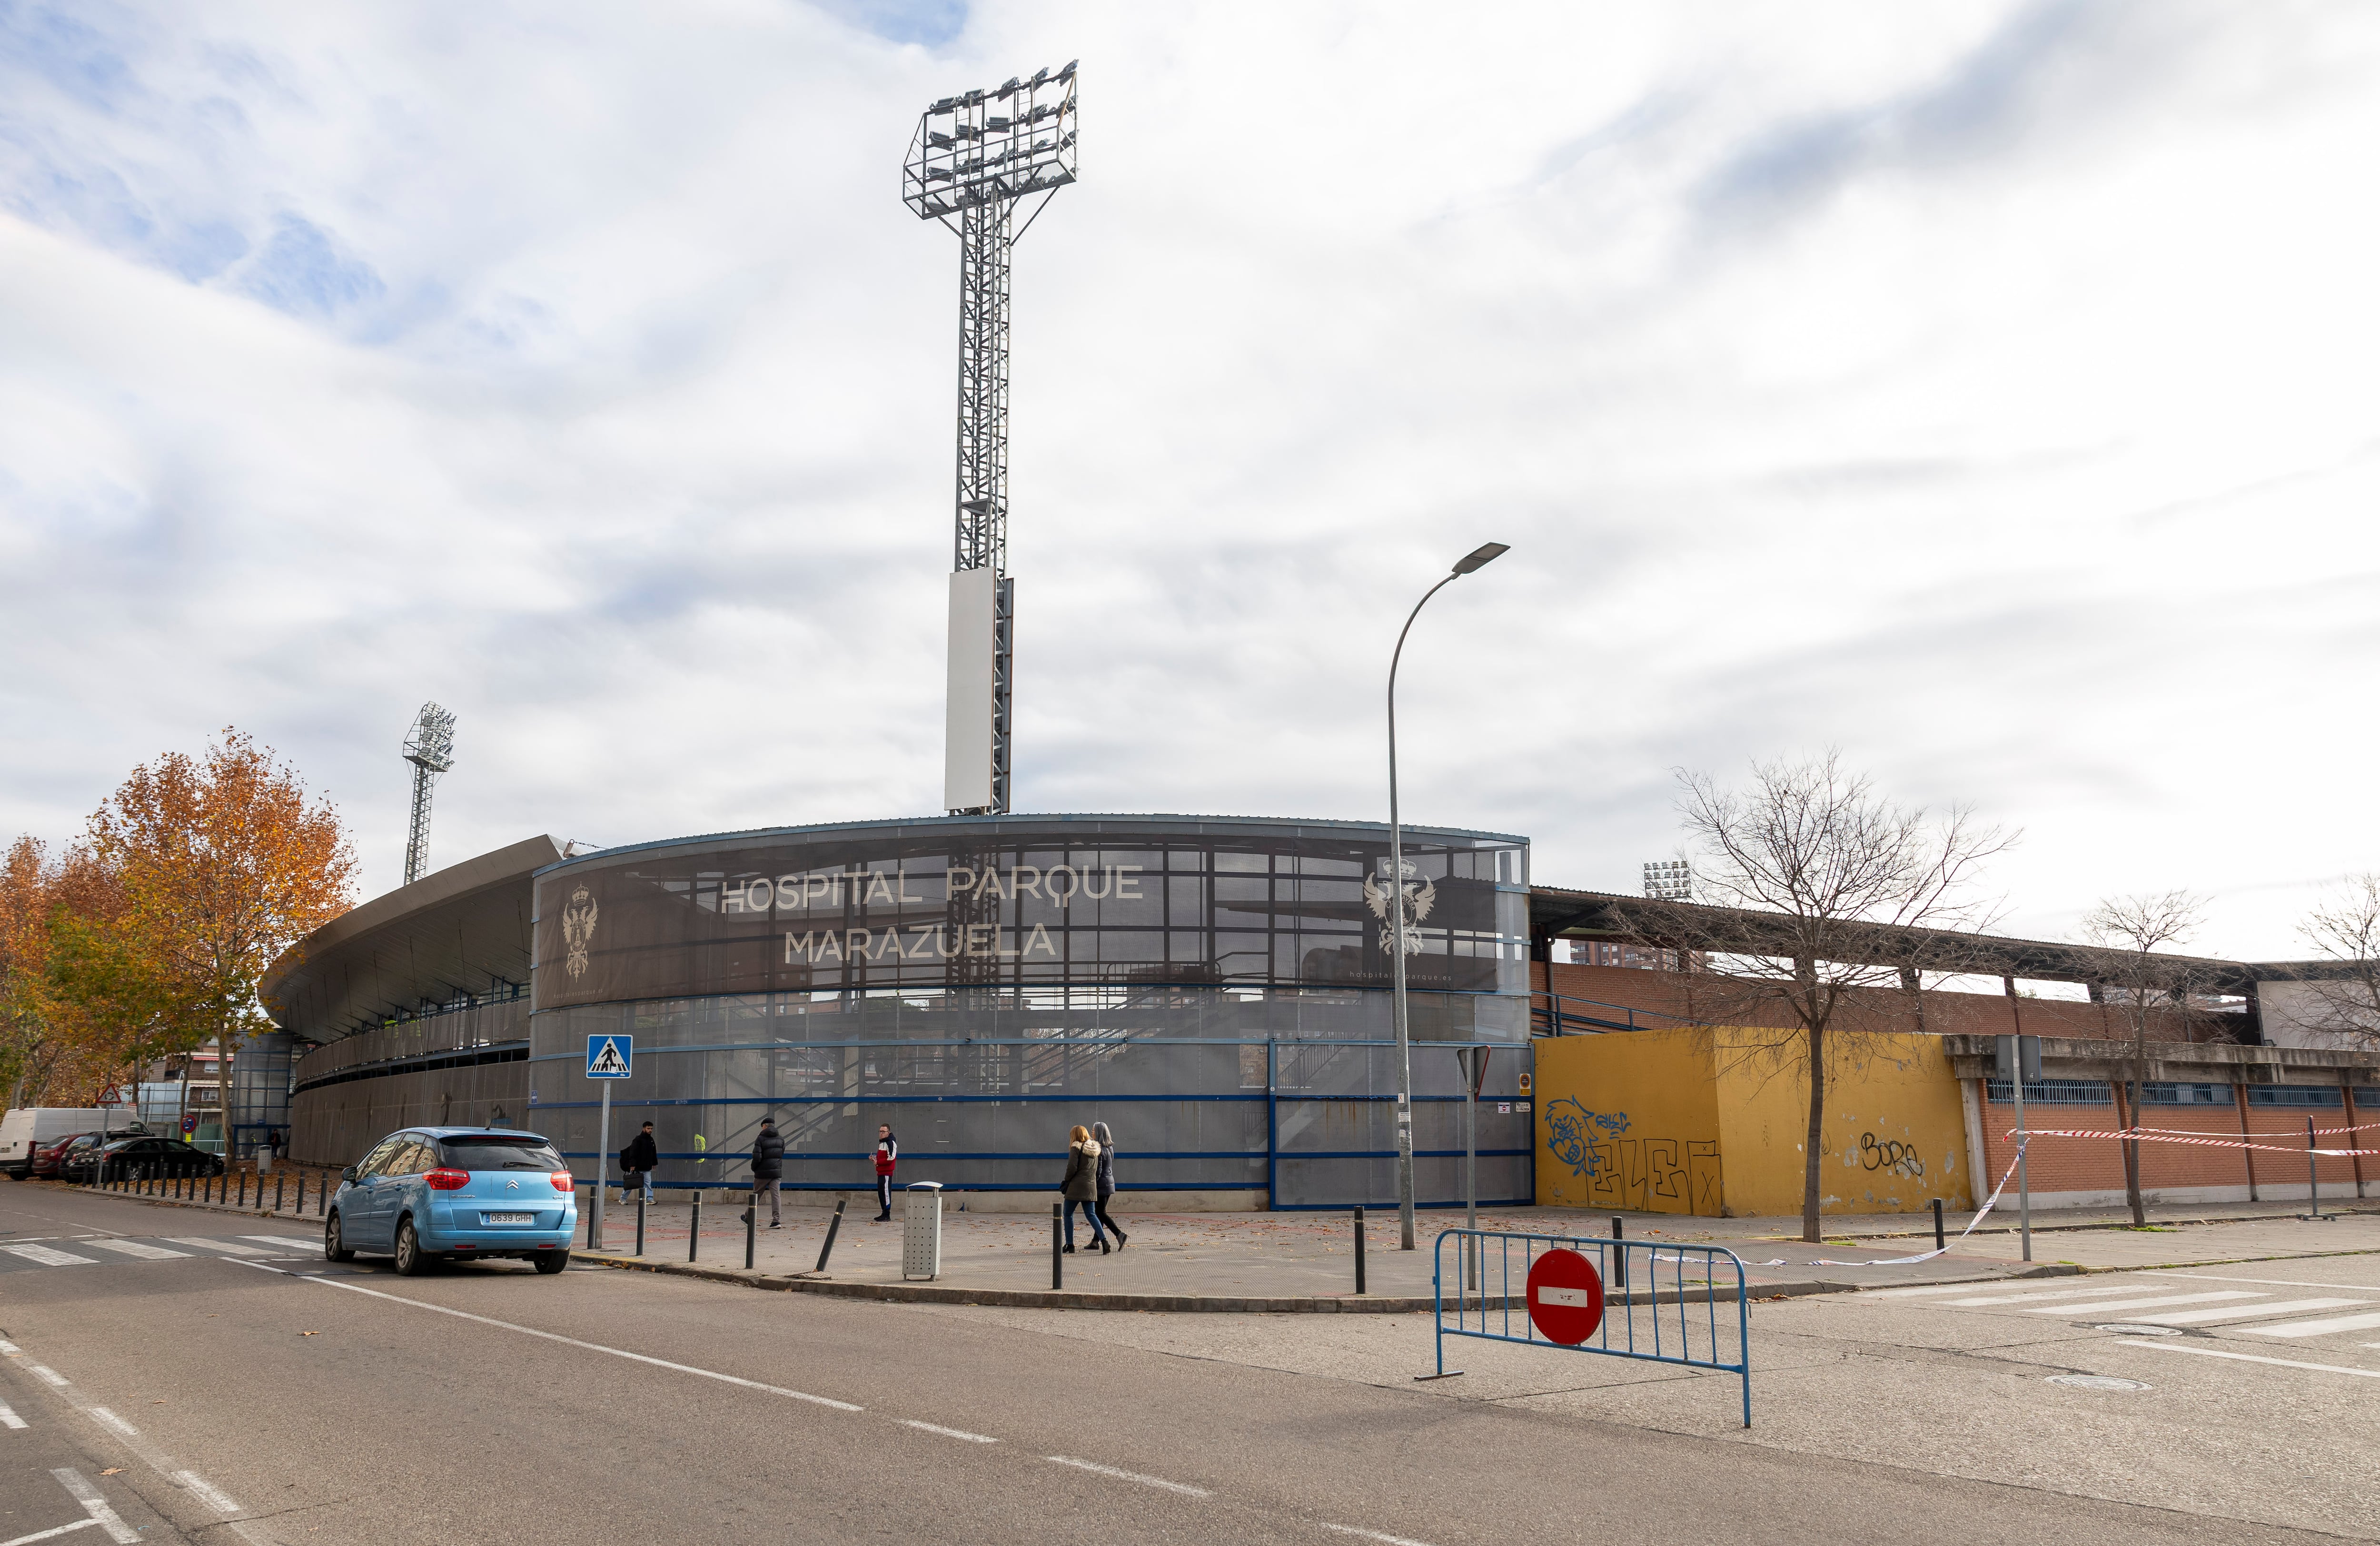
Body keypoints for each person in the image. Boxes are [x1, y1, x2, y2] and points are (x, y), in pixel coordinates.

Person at [1061, 1124, 1107, 1254]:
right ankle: (1104, 1241)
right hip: (1090, 1187)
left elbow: (1071, 1168)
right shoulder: (1095, 1150)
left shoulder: (1075, 1148)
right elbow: (1098, 1170)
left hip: (1076, 1188)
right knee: (1091, 1215)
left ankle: (1070, 1244)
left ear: (1075, 1135)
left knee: (1068, 1214)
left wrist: (1066, 1180)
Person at [1091, 1120, 1127, 1250]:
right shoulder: (1110, 1147)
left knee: (1099, 1213)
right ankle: (1095, 1241)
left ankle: (1119, 1234)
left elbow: (1098, 1171)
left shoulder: (1099, 1149)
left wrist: (1092, 1184)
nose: (1092, 1133)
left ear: (1099, 1133)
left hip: (1101, 1186)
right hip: (1109, 1183)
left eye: (1094, 1131)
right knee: (1100, 1212)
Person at [750, 1118, 784, 1228]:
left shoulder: (760, 1139)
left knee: (756, 1194)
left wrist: (754, 1168)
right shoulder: (781, 1139)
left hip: (762, 1172)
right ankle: (776, 1221)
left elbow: (757, 1156)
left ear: (765, 1126)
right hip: (776, 1173)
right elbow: (781, 1154)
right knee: (776, 1196)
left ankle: (748, 1217)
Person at [621, 1120, 658, 1206]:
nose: (650, 1130)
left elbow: (653, 1152)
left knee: (648, 1183)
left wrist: (654, 1163)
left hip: (647, 1167)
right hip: (637, 1167)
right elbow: (633, 1153)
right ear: (644, 1129)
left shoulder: (651, 1140)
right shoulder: (638, 1140)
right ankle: (623, 1198)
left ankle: (649, 1199)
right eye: (648, 1128)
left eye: (651, 1129)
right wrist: (632, 1165)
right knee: (631, 1184)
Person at [873, 1124, 899, 1221]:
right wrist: (875, 1160)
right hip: (881, 1171)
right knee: (881, 1193)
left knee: (886, 1192)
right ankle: (884, 1212)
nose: (881, 1133)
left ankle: (887, 1214)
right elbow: (883, 1157)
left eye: (883, 1132)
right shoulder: (881, 1143)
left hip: (887, 1172)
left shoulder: (891, 1143)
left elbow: (891, 1158)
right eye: (880, 1131)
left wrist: (878, 1162)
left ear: (888, 1133)